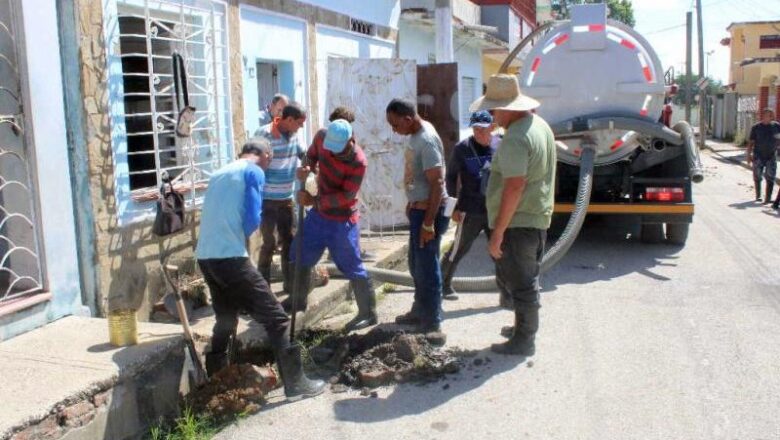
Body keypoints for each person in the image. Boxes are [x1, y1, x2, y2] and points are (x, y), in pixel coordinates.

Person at [196, 139, 325, 400]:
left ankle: (218, 381)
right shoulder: (253, 171)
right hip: (230, 256)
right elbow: (254, 218)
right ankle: (296, 384)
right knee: (277, 319)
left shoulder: (220, 172)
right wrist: (243, 239)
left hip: (206, 257)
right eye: (270, 159)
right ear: (266, 155)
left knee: (226, 318)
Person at [471, 74, 556, 356]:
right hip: (535, 215)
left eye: (495, 109)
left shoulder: (516, 139)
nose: (493, 115)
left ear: (508, 107)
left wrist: (498, 233)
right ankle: (522, 329)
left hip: (518, 221)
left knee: (522, 283)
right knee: (523, 278)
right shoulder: (539, 125)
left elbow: (514, 186)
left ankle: (524, 340)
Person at [285, 116, 378, 332]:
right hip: (318, 217)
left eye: (338, 148)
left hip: (342, 219)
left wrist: (313, 200)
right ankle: (298, 301)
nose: (333, 151)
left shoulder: (358, 161)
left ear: (349, 141)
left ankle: (368, 313)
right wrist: (306, 168)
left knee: (352, 265)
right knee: (298, 252)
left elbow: (346, 196)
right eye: (331, 148)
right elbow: (310, 156)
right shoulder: (321, 137)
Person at [386, 98, 450, 337]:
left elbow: (437, 184)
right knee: (416, 264)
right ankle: (419, 310)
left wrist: (428, 223)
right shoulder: (416, 135)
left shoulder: (426, 140)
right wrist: (412, 203)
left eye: (395, 125)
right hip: (419, 209)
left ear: (408, 119)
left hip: (429, 212)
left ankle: (433, 323)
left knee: (427, 266)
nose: (394, 130)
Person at [441, 110, 502, 301]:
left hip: (494, 210)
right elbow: (450, 178)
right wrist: (453, 209)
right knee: (459, 249)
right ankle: (443, 284)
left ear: (491, 127)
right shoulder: (462, 148)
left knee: (500, 250)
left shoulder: (500, 144)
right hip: (470, 209)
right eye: (475, 129)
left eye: (483, 129)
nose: (479, 133)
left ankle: (507, 289)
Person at [255, 103, 307, 292]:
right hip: (267, 200)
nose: (301, 127)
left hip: (286, 198)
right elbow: (253, 161)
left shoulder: (294, 136)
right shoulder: (264, 133)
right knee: (269, 243)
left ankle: (289, 284)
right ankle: (263, 289)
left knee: (289, 241)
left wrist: (307, 166)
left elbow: (304, 155)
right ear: (289, 119)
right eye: (299, 123)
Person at [747, 108, 780, 204]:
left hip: (771, 155)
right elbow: (751, 142)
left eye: (770, 115)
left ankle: (768, 198)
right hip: (758, 155)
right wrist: (749, 155)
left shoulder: (776, 126)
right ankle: (758, 196)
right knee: (757, 176)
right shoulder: (756, 127)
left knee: (771, 177)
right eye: (766, 115)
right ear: (763, 116)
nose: (768, 117)